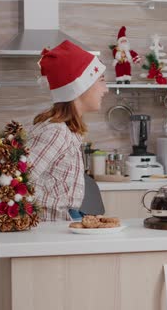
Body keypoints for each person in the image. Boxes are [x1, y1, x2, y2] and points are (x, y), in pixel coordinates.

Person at [27, 40, 108, 221]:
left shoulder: (68, 131)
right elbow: (15, 182)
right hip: (51, 231)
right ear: (81, 87)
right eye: (101, 81)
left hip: (66, 224)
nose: (106, 89)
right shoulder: (55, 132)